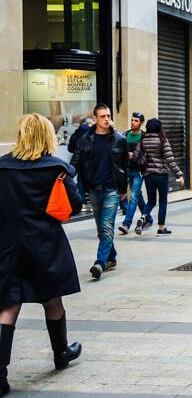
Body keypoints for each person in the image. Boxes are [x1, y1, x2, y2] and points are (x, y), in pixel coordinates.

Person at [0, 114, 83, 397]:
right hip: (45, 244)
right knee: (52, 299)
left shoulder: (2, 167)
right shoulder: (56, 168)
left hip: (8, 243)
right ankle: (61, 352)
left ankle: (0, 374)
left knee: (9, 304)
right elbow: (73, 206)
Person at [71, 104, 128, 280]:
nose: (106, 119)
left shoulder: (119, 139)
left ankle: (100, 263)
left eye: (108, 116)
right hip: (94, 190)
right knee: (101, 229)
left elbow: (124, 166)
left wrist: (123, 189)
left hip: (112, 190)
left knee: (106, 226)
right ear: (95, 119)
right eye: (102, 116)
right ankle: (111, 257)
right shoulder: (85, 140)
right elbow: (75, 162)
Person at [135, 118, 185, 237]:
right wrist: (179, 175)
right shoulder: (162, 139)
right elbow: (170, 160)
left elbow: (136, 155)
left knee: (151, 200)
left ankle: (144, 216)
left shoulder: (142, 139)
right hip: (161, 175)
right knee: (162, 201)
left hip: (148, 175)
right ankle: (161, 228)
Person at [119, 111, 149, 235]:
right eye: (132, 120)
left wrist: (136, 156)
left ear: (141, 123)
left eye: (136, 121)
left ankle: (126, 224)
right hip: (127, 170)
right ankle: (148, 218)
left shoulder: (144, 137)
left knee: (134, 196)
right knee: (138, 196)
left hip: (138, 171)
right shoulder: (125, 135)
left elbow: (148, 155)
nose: (133, 122)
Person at [67, 117, 92, 208]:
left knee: (80, 181)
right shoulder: (91, 133)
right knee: (90, 180)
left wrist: (76, 151)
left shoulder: (75, 134)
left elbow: (69, 148)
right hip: (89, 160)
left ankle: (83, 202)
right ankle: (93, 200)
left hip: (78, 160)